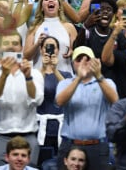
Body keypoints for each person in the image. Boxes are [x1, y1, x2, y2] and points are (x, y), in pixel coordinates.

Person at [0, 40, 44, 168]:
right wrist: (4, 75)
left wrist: (28, 77)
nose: (11, 46)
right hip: (0, 137)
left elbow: (37, 100)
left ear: (21, 47)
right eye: (6, 43)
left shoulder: (35, 73)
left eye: (15, 43)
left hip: (28, 135)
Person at [56, 46, 118, 169]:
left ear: (95, 62)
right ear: (73, 64)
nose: (83, 63)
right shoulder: (65, 83)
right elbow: (60, 102)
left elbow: (115, 101)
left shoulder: (107, 82)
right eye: (79, 60)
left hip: (97, 146)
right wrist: (79, 78)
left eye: (88, 59)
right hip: (70, 145)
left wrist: (99, 75)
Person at [37, 36, 72, 165]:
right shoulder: (35, 73)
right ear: (41, 50)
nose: (50, 50)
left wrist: (55, 70)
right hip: (41, 127)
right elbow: (33, 90)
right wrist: (43, 68)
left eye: (53, 47)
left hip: (61, 127)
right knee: (41, 163)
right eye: (46, 46)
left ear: (57, 51)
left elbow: (69, 92)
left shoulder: (66, 75)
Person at [24, 0, 77, 75]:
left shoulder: (69, 27)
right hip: (40, 75)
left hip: (64, 75)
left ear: (59, 6)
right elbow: (26, 56)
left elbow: (78, 52)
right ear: (41, 7)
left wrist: (72, 51)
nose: (50, 1)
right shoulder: (34, 27)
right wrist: (37, 44)